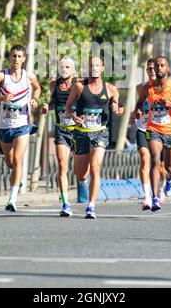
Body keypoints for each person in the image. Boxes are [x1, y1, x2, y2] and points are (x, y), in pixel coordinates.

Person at [66, 56, 124, 219]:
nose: (94, 68)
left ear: (103, 68)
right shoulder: (79, 87)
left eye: (97, 65)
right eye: (91, 65)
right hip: (81, 132)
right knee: (81, 175)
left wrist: (118, 108)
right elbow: (68, 106)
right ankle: (83, 181)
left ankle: (91, 206)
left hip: (100, 132)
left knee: (95, 167)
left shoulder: (111, 89)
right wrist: (74, 117)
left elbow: (119, 107)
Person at [0, 45, 41, 212]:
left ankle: (12, 198)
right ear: (10, 58)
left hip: (23, 124)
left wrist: (35, 100)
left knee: (18, 159)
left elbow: (37, 88)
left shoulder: (29, 77)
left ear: (24, 59)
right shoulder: (1, 76)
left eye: (19, 56)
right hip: (4, 126)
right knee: (10, 163)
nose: (16, 59)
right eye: (13, 56)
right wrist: (2, 97)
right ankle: (18, 176)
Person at [134, 56, 171, 211]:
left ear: (167, 69)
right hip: (154, 130)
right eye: (156, 66)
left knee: (170, 167)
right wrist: (137, 109)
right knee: (154, 160)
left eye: (162, 66)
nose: (159, 68)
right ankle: (155, 198)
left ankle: (169, 180)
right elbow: (140, 101)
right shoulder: (148, 88)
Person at [42, 57, 78, 217]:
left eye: (68, 67)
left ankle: (83, 182)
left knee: (80, 171)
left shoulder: (80, 85)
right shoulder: (53, 85)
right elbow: (52, 103)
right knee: (62, 165)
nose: (64, 69)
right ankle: (65, 203)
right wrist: (46, 107)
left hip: (78, 130)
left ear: (73, 70)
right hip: (61, 129)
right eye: (62, 67)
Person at [130, 58, 167, 211]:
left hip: (159, 130)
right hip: (143, 128)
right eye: (149, 69)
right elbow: (138, 105)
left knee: (160, 166)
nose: (152, 71)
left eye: (154, 68)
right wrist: (136, 112)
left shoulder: (165, 88)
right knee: (145, 160)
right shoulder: (140, 88)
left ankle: (162, 188)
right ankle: (147, 197)